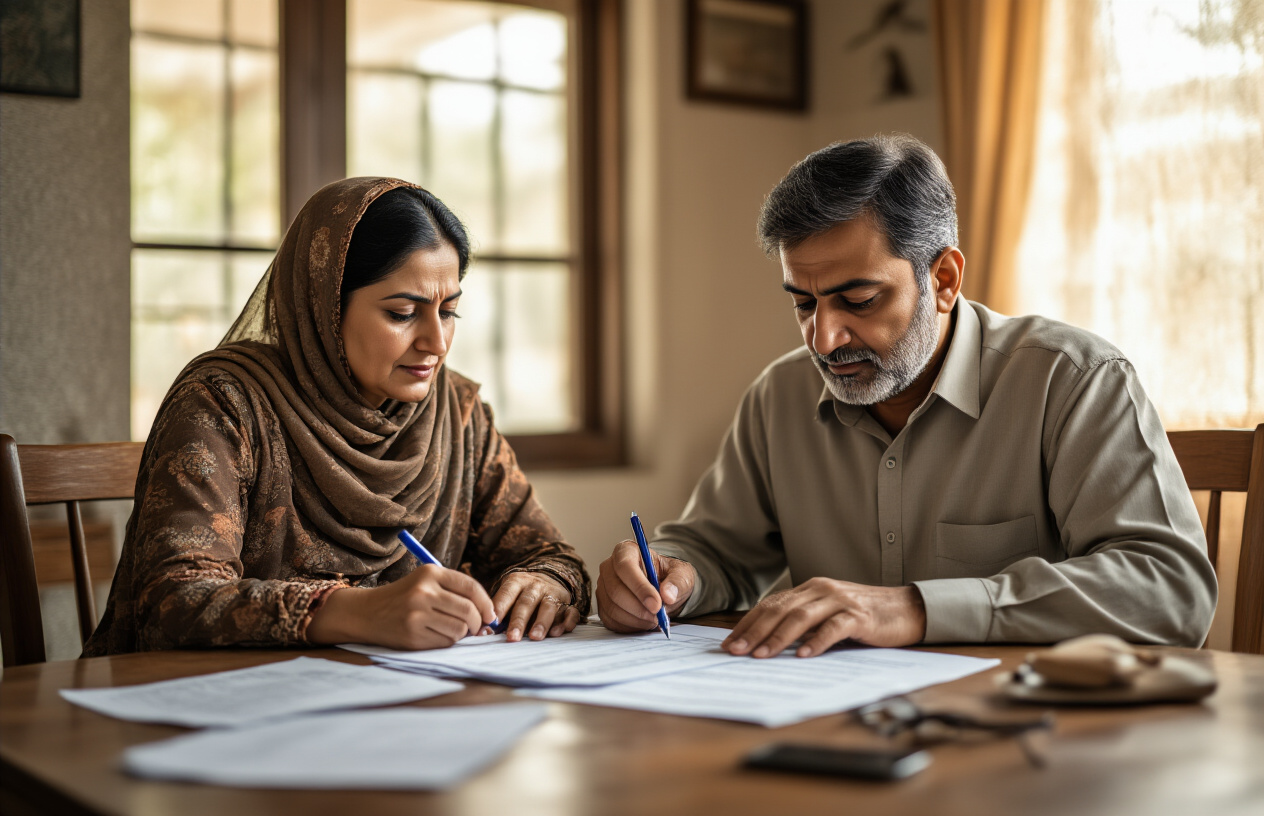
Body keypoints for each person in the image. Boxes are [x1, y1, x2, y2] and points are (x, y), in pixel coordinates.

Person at [596, 134, 1216, 657]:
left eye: (858, 300)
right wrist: (670, 577)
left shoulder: (1074, 380)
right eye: (803, 303)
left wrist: (915, 610)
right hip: (837, 733)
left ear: (943, 279)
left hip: (1029, 744)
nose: (825, 338)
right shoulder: (779, 397)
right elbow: (716, 549)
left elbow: (1171, 588)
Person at [85, 178, 589, 656]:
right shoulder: (224, 403)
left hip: (395, 713)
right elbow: (173, 600)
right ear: (323, 303)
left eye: (449, 310)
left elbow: (549, 555)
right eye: (402, 313)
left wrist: (543, 583)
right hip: (219, 717)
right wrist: (358, 611)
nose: (437, 342)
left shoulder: (456, 414)